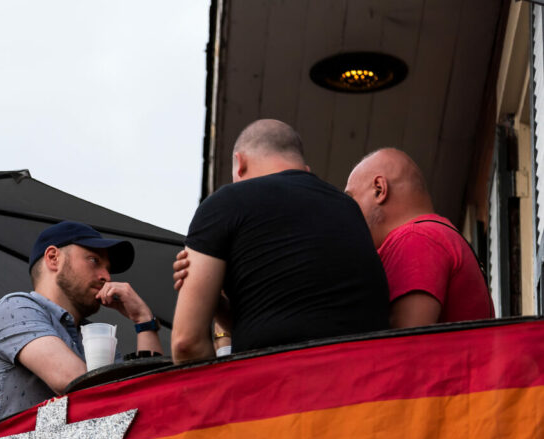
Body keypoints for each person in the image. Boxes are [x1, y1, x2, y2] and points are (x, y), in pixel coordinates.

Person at [171, 119, 389, 362]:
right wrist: (218, 306)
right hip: (361, 383)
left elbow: (186, 343)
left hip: (274, 386)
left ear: (240, 163)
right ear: (304, 170)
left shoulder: (225, 202)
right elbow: (306, 319)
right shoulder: (351, 210)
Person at [0, 221, 165, 427]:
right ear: (53, 258)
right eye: (94, 260)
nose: (107, 276)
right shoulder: (15, 307)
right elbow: (77, 383)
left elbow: (147, 405)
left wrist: (143, 320)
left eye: (108, 268)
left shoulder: (93, 335)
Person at [344, 147, 494, 327]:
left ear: (379, 189)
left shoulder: (415, 238)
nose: (347, 214)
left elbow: (407, 344)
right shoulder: (439, 235)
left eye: (351, 200)